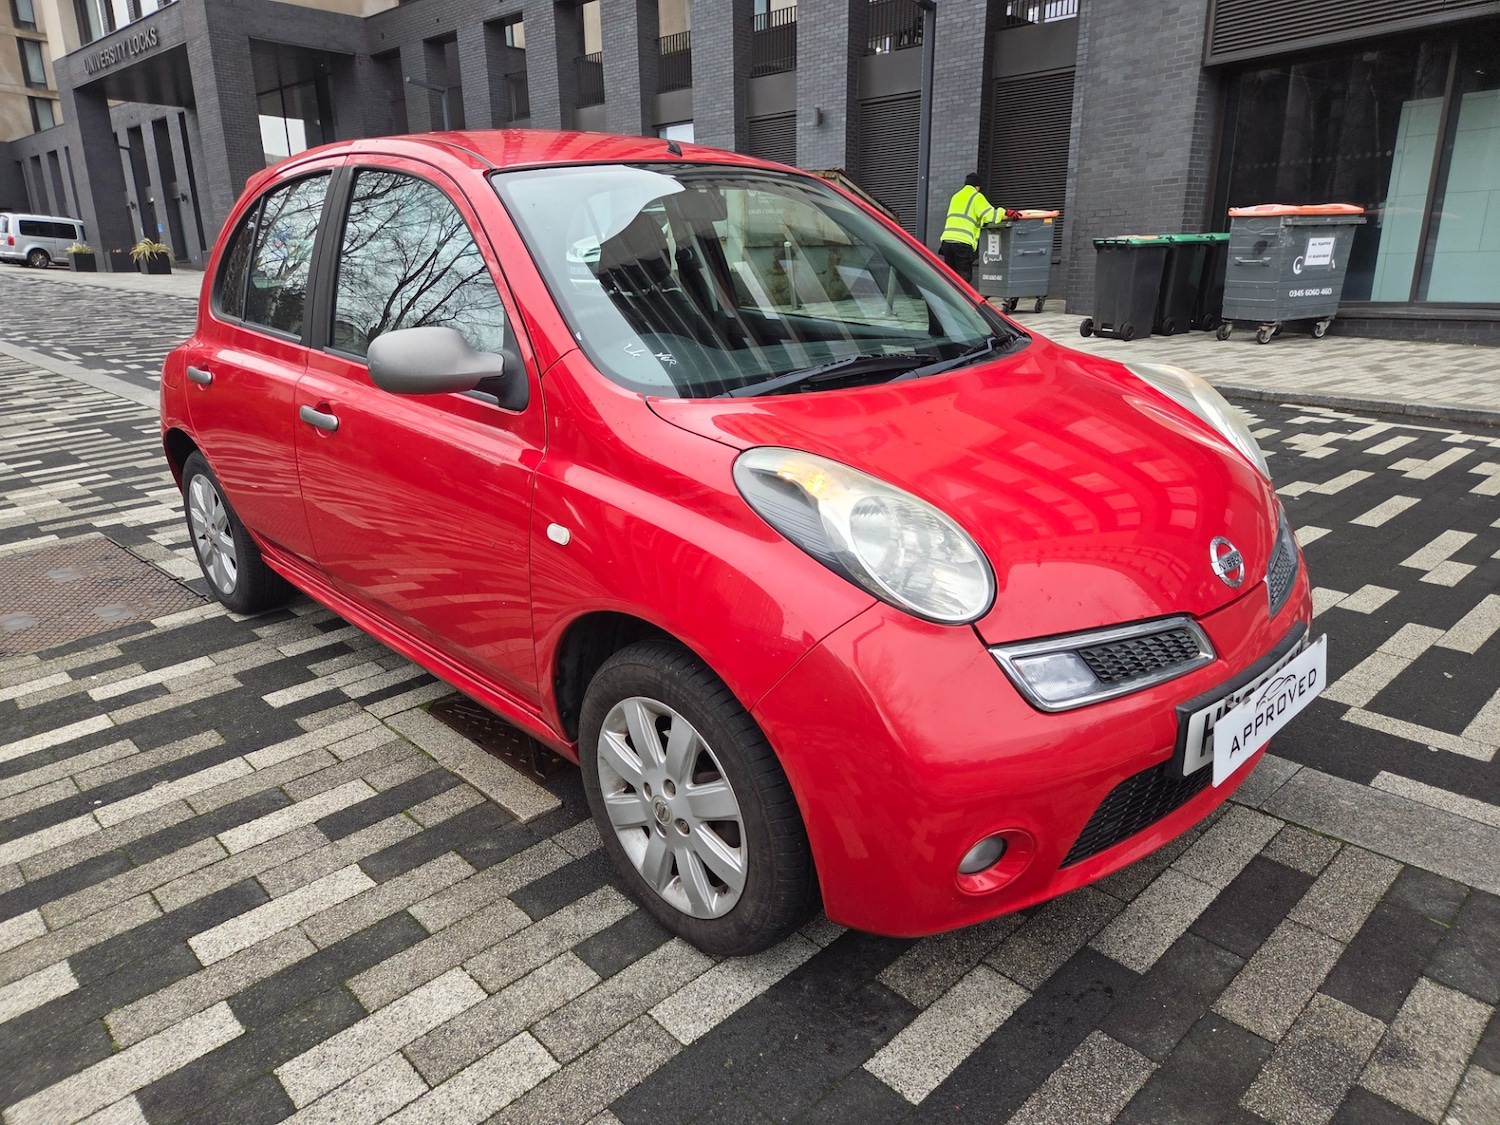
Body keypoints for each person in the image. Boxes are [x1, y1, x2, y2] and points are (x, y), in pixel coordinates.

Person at [939, 173, 1019, 281]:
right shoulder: (976, 196)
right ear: (977, 186)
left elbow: (968, 215)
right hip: (962, 242)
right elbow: (989, 215)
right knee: (964, 276)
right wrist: (1005, 212)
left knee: (950, 276)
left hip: (946, 241)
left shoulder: (956, 196)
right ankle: (962, 298)